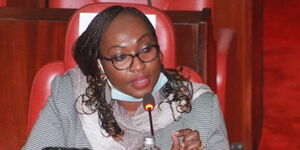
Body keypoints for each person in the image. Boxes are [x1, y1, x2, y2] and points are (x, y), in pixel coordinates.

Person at [23, 5, 229, 150]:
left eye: (146, 49)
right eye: (120, 57)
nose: (138, 65)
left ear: (160, 52)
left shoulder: (200, 107)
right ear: (100, 65)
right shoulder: (69, 96)